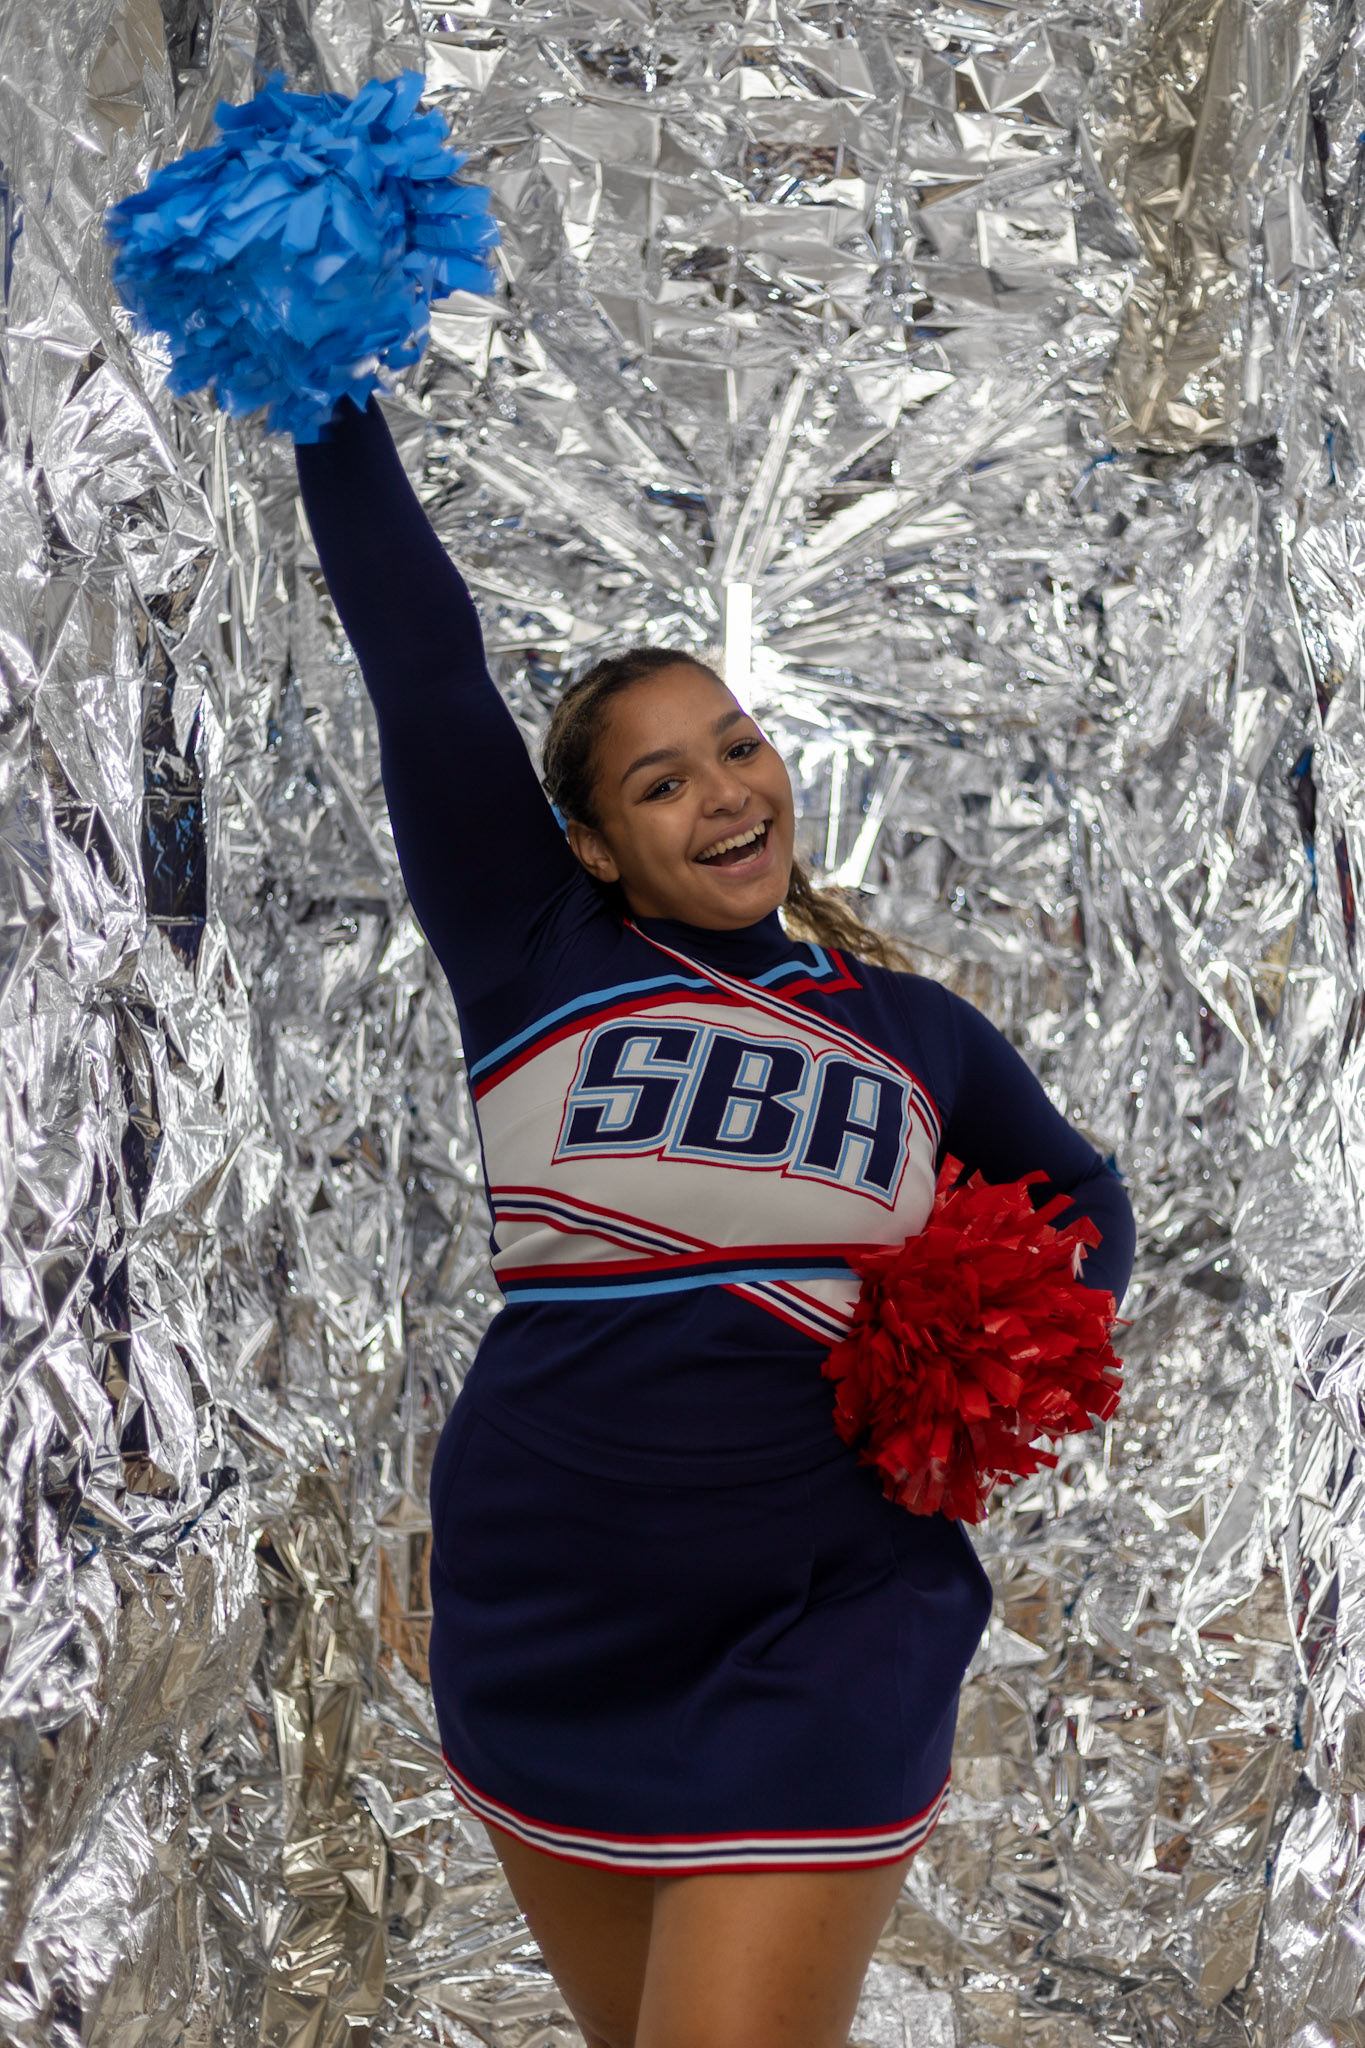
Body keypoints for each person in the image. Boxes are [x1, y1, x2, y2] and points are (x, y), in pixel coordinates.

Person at [294, 395, 1135, 2048]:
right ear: (596, 844)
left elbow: (1081, 1199)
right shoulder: (535, 955)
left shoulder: (915, 1031)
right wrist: (327, 397)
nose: (722, 794)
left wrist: (1009, 1322)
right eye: (659, 783)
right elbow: (423, 662)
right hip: (553, 1609)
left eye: (737, 746)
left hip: (825, 1619)